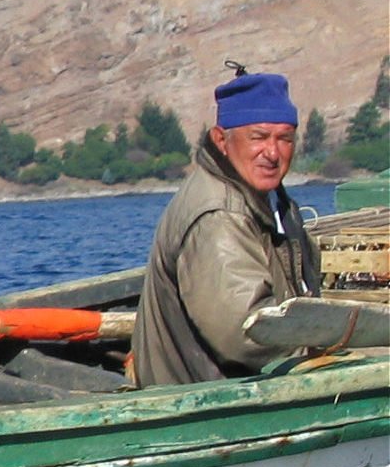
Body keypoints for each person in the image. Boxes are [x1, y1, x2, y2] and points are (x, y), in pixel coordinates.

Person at [131, 70, 321, 387]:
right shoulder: (219, 215)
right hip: (199, 402)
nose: (272, 153)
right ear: (222, 140)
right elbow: (245, 333)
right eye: (258, 137)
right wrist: (321, 349)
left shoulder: (273, 200)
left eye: (284, 139)